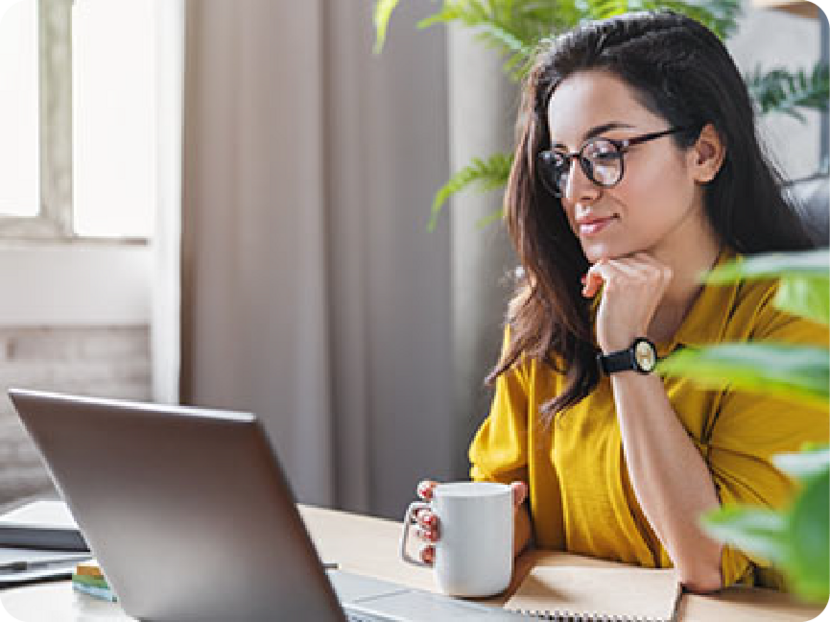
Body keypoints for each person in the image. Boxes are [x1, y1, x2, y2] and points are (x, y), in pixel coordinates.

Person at [412, 10, 828, 594]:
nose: (577, 190)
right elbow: (514, 499)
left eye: (606, 152)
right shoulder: (547, 310)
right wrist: (480, 529)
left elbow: (709, 561)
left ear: (704, 153)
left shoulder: (792, 322)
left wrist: (627, 355)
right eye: (561, 161)